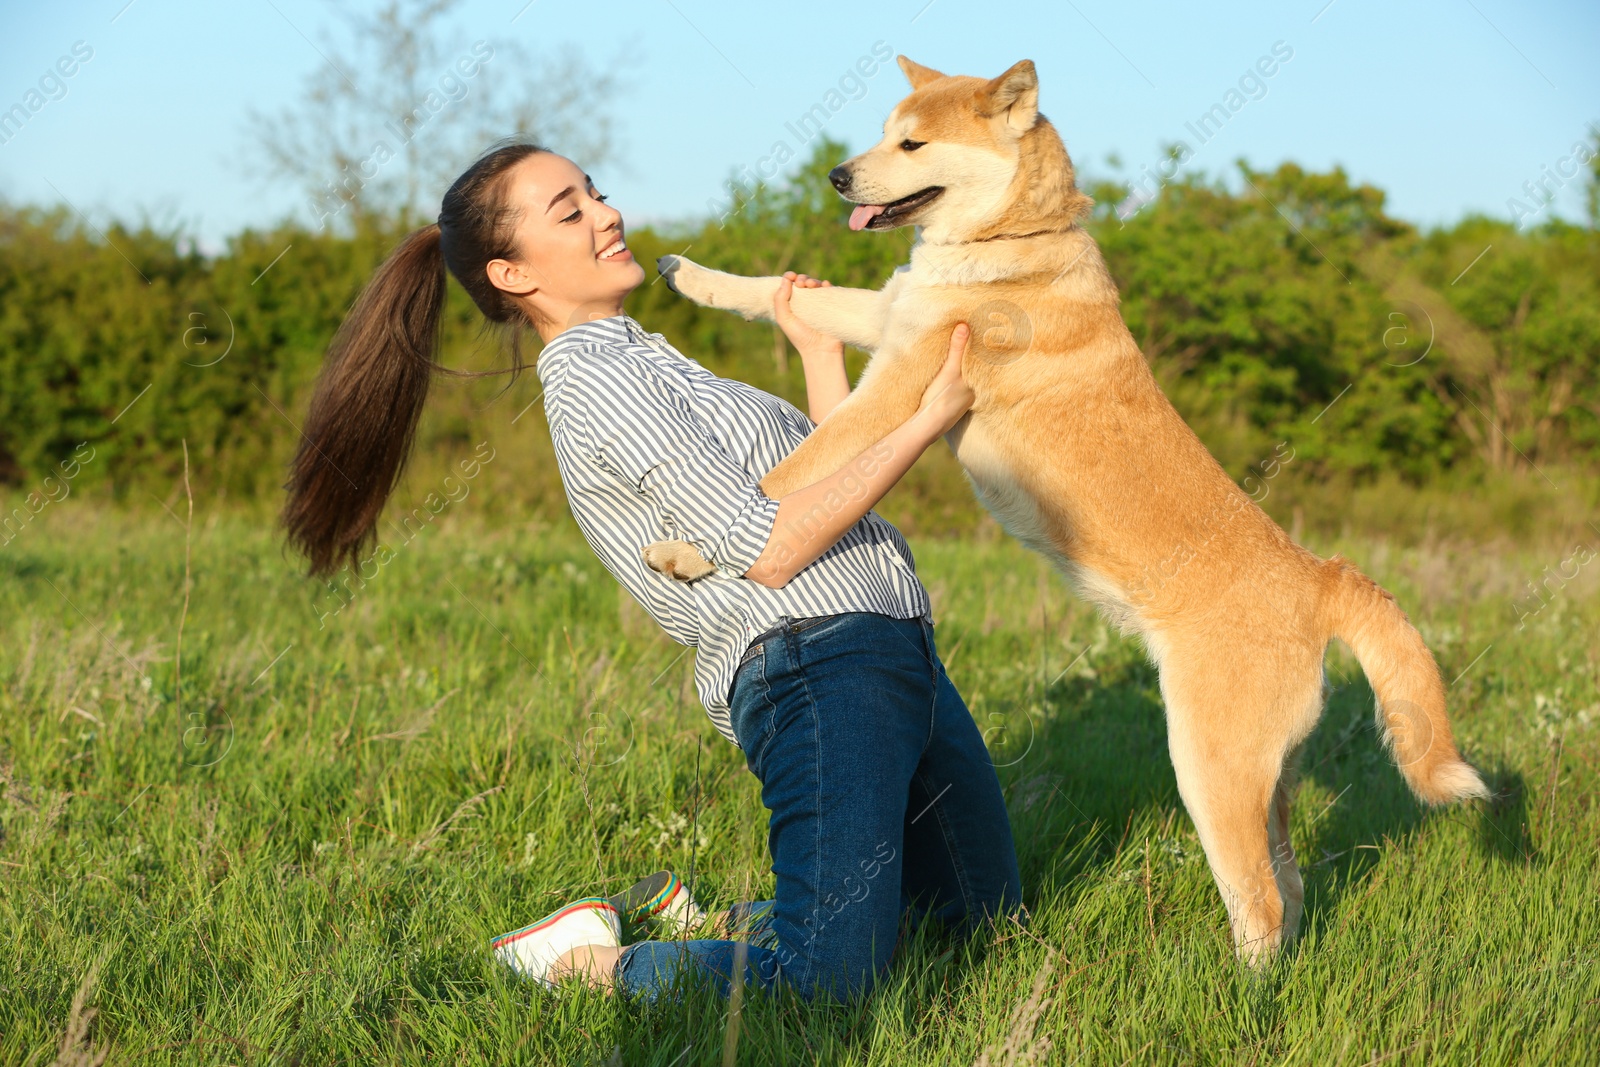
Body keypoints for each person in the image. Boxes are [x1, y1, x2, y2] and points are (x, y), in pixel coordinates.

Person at [281, 138, 1022, 1002]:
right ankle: (593, 965)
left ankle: (693, 913)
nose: (608, 212)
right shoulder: (598, 381)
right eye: (571, 210)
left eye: (594, 192)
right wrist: (927, 415)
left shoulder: (645, 358)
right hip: (820, 670)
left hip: (895, 653)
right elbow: (769, 547)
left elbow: (825, 478)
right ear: (513, 275)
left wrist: (818, 353)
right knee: (827, 988)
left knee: (979, 925)